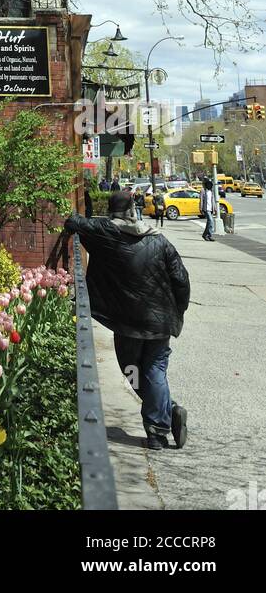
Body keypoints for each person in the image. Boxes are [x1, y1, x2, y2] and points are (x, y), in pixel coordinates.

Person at [65, 190, 190, 451]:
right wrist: (178, 310)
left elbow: (75, 222)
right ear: (134, 210)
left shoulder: (107, 234)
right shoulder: (160, 240)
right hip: (160, 323)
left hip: (129, 322)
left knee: (131, 372)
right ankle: (162, 419)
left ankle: (159, 425)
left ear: (112, 211)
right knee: (155, 371)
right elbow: (181, 279)